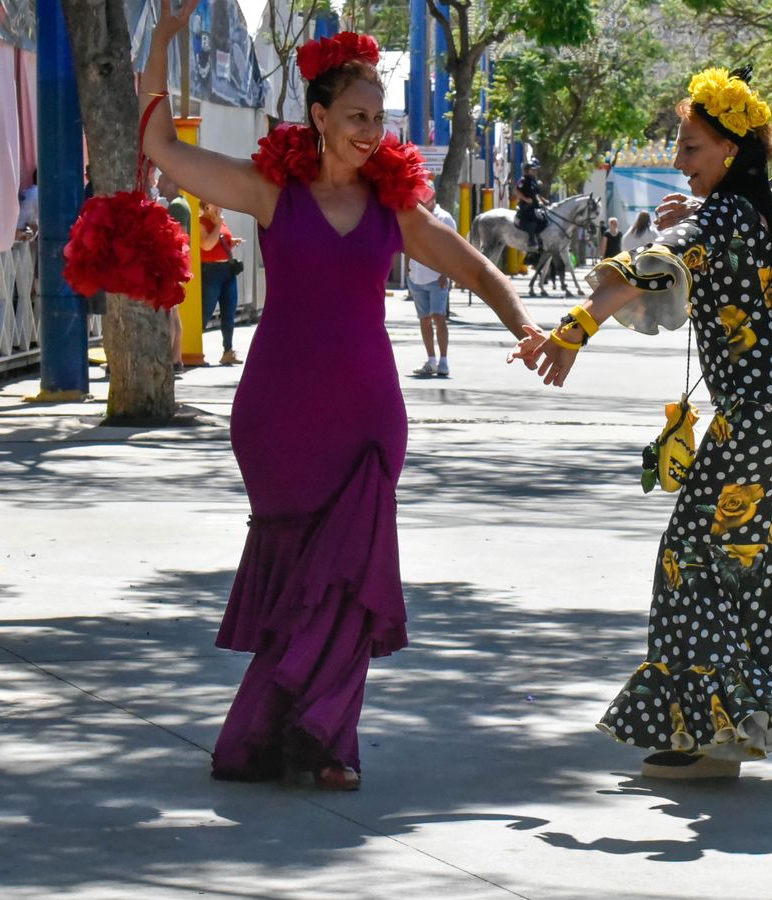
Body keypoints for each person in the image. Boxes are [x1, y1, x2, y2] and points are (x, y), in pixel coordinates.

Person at [140, 8, 537, 790]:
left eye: (379, 119)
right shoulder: (268, 193)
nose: (371, 131)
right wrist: (159, 41)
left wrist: (526, 328)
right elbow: (161, 149)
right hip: (277, 416)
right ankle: (284, 733)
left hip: (367, 419)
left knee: (351, 581)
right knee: (298, 576)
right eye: (356, 117)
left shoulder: (397, 210)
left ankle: (327, 743)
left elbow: (481, 272)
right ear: (318, 118)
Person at [514, 66, 772, 784]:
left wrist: (570, 332)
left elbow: (652, 264)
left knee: (693, 555)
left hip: (763, 411)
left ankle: (708, 736)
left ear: (732, 149)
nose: (679, 157)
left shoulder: (725, 216)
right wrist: (695, 215)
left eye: (692, 147)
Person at [409, 191, 457, 377]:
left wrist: (446, 273)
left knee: (438, 317)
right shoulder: (414, 216)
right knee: (424, 320)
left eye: (423, 197)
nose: (421, 201)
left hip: (437, 278)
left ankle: (443, 361)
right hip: (416, 276)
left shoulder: (444, 218)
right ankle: (431, 360)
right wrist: (408, 268)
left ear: (432, 197)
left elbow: (453, 247)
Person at [198, 200, 244, 366]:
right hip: (211, 271)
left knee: (229, 310)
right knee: (206, 310)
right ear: (206, 207)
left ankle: (228, 350)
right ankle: (195, 349)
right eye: (216, 204)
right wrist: (217, 226)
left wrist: (232, 242)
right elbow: (207, 245)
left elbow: (220, 241)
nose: (220, 207)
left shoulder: (221, 221)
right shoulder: (202, 223)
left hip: (227, 269)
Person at [156, 169, 191, 372]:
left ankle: (170, 358)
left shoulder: (176, 206)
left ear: (170, 181)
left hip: (174, 264)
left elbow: (179, 237)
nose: (158, 183)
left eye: (161, 179)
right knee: (174, 314)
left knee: (169, 314)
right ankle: (176, 358)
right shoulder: (179, 204)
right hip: (178, 264)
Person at [516, 160, 547, 255]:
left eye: (535, 170)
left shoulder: (534, 181)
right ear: (527, 170)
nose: (535, 172)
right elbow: (517, 191)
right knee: (533, 219)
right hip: (526, 206)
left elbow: (536, 194)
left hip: (535, 206)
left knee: (544, 219)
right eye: (532, 170)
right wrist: (525, 199)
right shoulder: (523, 181)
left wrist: (543, 200)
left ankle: (541, 241)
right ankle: (531, 240)